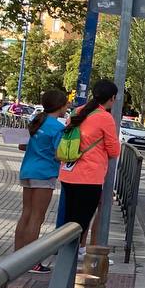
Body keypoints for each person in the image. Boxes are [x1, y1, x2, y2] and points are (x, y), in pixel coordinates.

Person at [58, 79, 121, 250]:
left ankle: (68, 254)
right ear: (112, 98)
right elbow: (114, 151)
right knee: (81, 222)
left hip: (68, 173)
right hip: (89, 177)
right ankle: (72, 255)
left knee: (69, 219)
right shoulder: (105, 118)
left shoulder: (77, 112)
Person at [13, 90, 69, 271]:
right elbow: (59, 153)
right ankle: (31, 261)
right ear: (60, 106)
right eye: (66, 104)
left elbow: (22, 145)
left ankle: (17, 256)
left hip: (27, 170)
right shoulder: (57, 128)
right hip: (44, 173)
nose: (67, 107)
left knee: (26, 214)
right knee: (37, 217)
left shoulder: (36, 121)